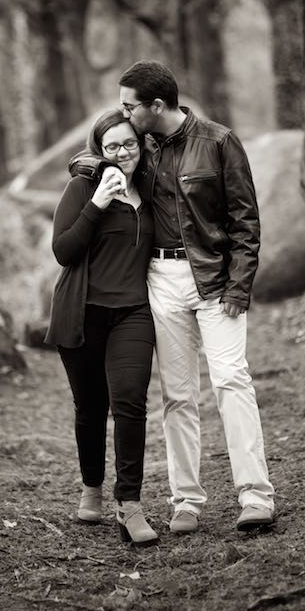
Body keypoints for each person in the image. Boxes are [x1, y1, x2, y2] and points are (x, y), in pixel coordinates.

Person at [118, 60, 275, 534]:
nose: (123, 113)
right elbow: (95, 158)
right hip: (161, 281)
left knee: (230, 381)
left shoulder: (219, 142)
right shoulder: (138, 146)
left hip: (215, 280)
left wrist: (238, 285)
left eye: (129, 105)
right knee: (177, 396)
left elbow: (246, 222)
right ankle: (186, 501)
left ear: (157, 106)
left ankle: (256, 497)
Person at [44, 110, 158, 547]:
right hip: (83, 312)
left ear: (140, 144)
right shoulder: (83, 188)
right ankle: (91, 487)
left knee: (130, 403)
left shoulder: (151, 189)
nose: (122, 153)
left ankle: (129, 503)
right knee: (90, 407)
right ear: (100, 151)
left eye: (129, 143)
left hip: (133, 312)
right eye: (111, 147)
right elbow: (63, 250)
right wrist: (97, 205)